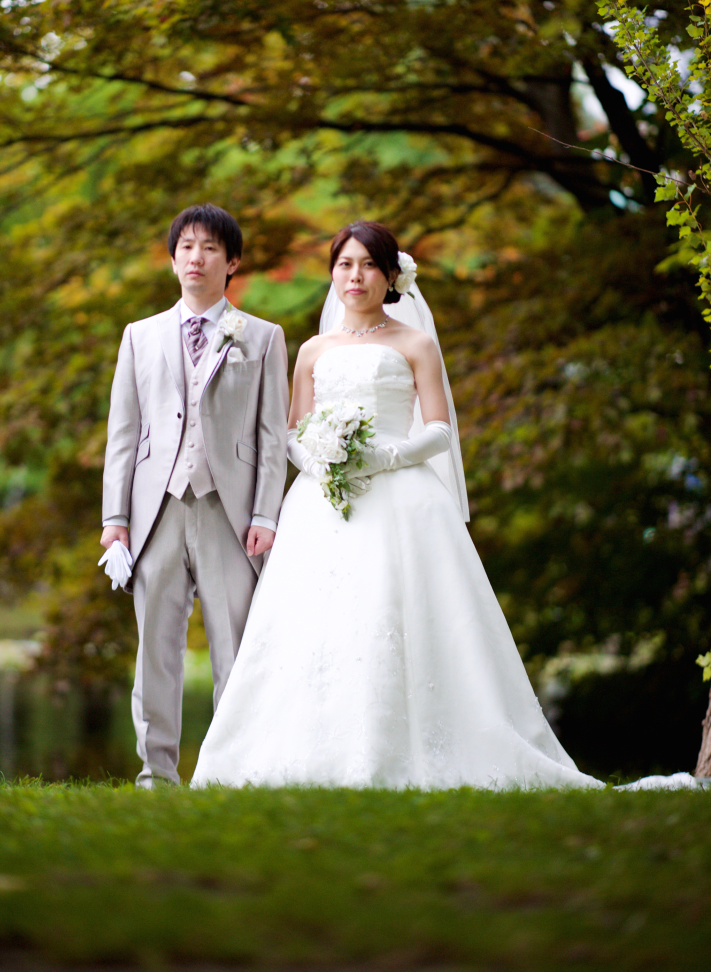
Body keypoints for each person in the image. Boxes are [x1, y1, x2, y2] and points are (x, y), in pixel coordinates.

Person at [192, 221, 697, 791]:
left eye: (367, 265)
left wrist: (386, 457)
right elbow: (291, 430)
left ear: (390, 276)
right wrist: (321, 464)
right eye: (344, 265)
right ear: (332, 274)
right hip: (323, 501)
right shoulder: (312, 349)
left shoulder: (414, 344)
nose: (354, 277)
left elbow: (439, 429)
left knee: (394, 612)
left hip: (401, 495)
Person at [101, 204, 289, 787]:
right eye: (185, 246)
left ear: (231, 262)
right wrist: (115, 520)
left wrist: (265, 513)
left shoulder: (263, 337)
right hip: (154, 512)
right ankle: (156, 773)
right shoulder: (139, 336)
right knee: (155, 648)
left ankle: (230, 771)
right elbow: (124, 435)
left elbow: (272, 436)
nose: (195, 257)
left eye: (209, 248)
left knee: (234, 647)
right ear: (173, 258)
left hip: (229, 514)